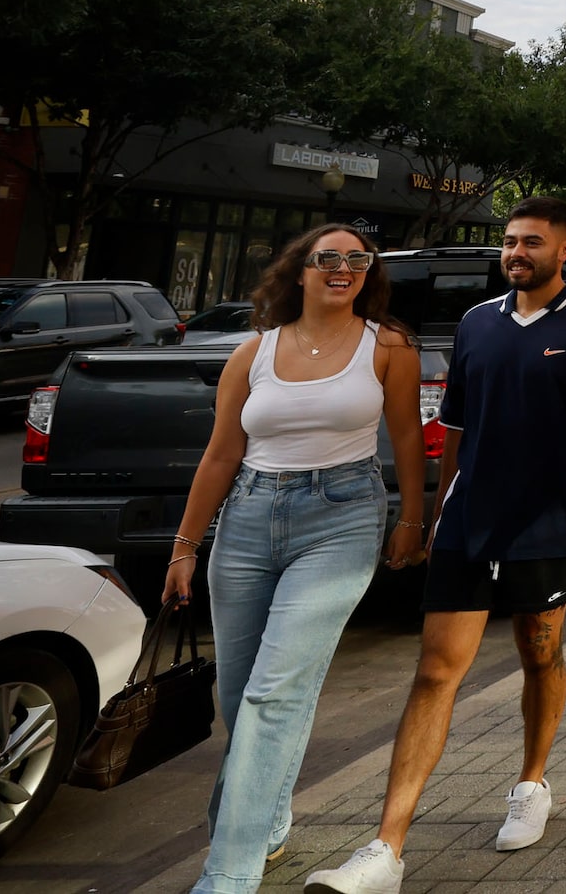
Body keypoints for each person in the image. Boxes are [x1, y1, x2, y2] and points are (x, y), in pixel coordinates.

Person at [308, 197, 566, 893]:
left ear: (564, 249)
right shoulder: (475, 323)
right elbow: (454, 424)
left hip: (549, 519)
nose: (516, 252)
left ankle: (531, 782)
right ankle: (386, 851)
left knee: (538, 653)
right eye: (510, 242)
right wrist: (432, 509)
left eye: (531, 243)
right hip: (468, 520)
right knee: (434, 672)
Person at [164, 225, 425, 894]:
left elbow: (405, 437)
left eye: (357, 260)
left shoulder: (388, 347)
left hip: (340, 520)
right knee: (238, 694)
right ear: (300, 272)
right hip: (248, 521)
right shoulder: (253, 351)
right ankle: (268, 820)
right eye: (328, 258)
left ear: (368, 273)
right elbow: (221, 454)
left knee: (274, 693)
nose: (343, 267)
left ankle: (228, 873)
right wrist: (185, 547)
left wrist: (412, 520)